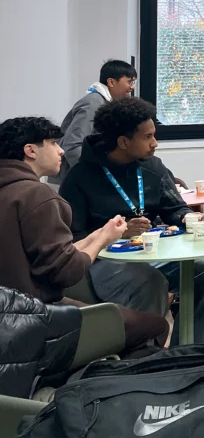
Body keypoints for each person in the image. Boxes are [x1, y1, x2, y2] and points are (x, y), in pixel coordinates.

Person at [59, 97, 204, 344]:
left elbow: (174, 207)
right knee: (149, 281)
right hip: (106, 261)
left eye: (154, 135)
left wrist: (187, 216)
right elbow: (72, 238)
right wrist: (116, 233)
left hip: (152, 252)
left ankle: (189, 351)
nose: (155, 144)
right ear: (123, 142)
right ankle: (145, 357)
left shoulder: (152, 167)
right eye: (147, 137)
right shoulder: (79, 178)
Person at [0, 117, 168, 356]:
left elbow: (52, 254)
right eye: (53, 143)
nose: (61, 150)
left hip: (9, 313)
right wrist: (102, 240)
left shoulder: (11, 192)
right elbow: (66, 272)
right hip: (36, 317)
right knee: (154, 326)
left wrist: (101, 234)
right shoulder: (38, 196)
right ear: (30, 151)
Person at [53, 59, 137, 186]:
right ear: (111, 82)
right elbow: (73, 145)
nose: (132, 87)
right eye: (129, 82)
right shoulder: (93, 103)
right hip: (70, 179)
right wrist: (92, 175)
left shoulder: (105, 102)